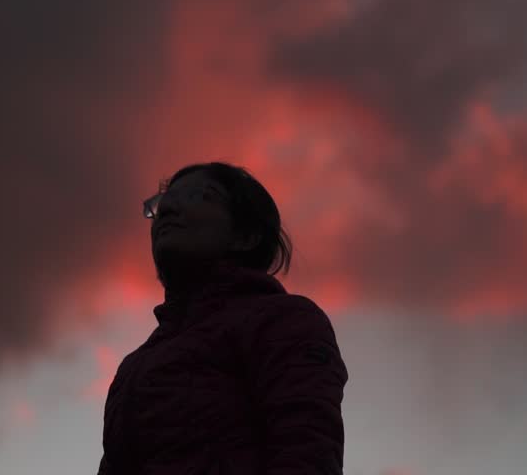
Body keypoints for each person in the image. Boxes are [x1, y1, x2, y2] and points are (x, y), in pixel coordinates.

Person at [98, 162, 348, 475]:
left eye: (201, 196)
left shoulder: (285, 321)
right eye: (163, 203)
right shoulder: (134, 366)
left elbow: (307, 453)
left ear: (247, 237)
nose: (169, 209)